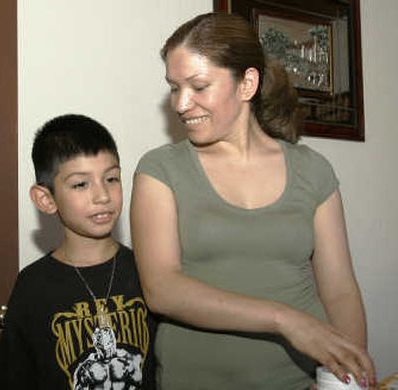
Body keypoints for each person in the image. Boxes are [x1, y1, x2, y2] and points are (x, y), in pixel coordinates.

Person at [130, 12, 376, 390]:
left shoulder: (313, 171)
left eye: (198, 86)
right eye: (173, 88)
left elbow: (340, 289)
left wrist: (344, 378)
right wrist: (285, 320)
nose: (181, 104)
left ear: (246, 84)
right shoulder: (160, 170)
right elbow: (163, 289)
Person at [0, 114, 156, 389]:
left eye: (111, 178)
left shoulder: (148, 269)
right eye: (80, 184)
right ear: (46, 199)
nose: (103, 196)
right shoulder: (33, 287)